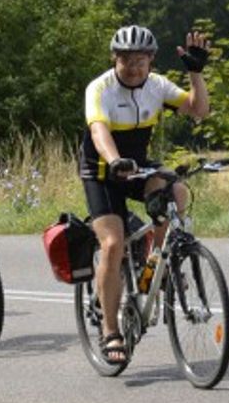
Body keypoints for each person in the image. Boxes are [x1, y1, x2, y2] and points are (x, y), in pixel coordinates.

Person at [80, 25, 211, 365]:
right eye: (126, 60)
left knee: (176, 191)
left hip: (138, 166)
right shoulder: (100, 88)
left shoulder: (157, 85)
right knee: (113, 244)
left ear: (151, 60)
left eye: (140, 60)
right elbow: (99, 132)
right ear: (115, 58)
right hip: (103, 171)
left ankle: (158, 264)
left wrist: (196, 74)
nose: (134, 67)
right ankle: (110, 330)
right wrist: (114, 161)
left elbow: (199, 110)